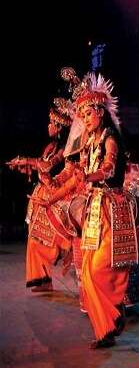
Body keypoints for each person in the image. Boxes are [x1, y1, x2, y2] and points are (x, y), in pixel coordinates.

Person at [40, 72, 138, 349]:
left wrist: (90, 178)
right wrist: (50, 199)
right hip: (94, 210)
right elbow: (74, 179)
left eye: (87, 113)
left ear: (100, 112)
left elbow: (107, 168)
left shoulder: (109, 139)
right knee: (87, 272)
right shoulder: (87, 145)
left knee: (99, 269)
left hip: (112, 208)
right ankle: (106, 328)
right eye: (81, 115)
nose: (84, 118)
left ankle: (115, 311)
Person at [7, 97, 73, 291]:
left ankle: (48, 275)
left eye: (52, 123)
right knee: (35, 237)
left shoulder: (63, 150)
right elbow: (41, 166)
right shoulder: (50, 146)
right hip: (41, 194)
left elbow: (46, 165)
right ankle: (42, 280)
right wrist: (25, 165)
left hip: (53, 196)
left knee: (44, 239)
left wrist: (26, 160)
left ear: (59, 127)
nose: (48, 126)